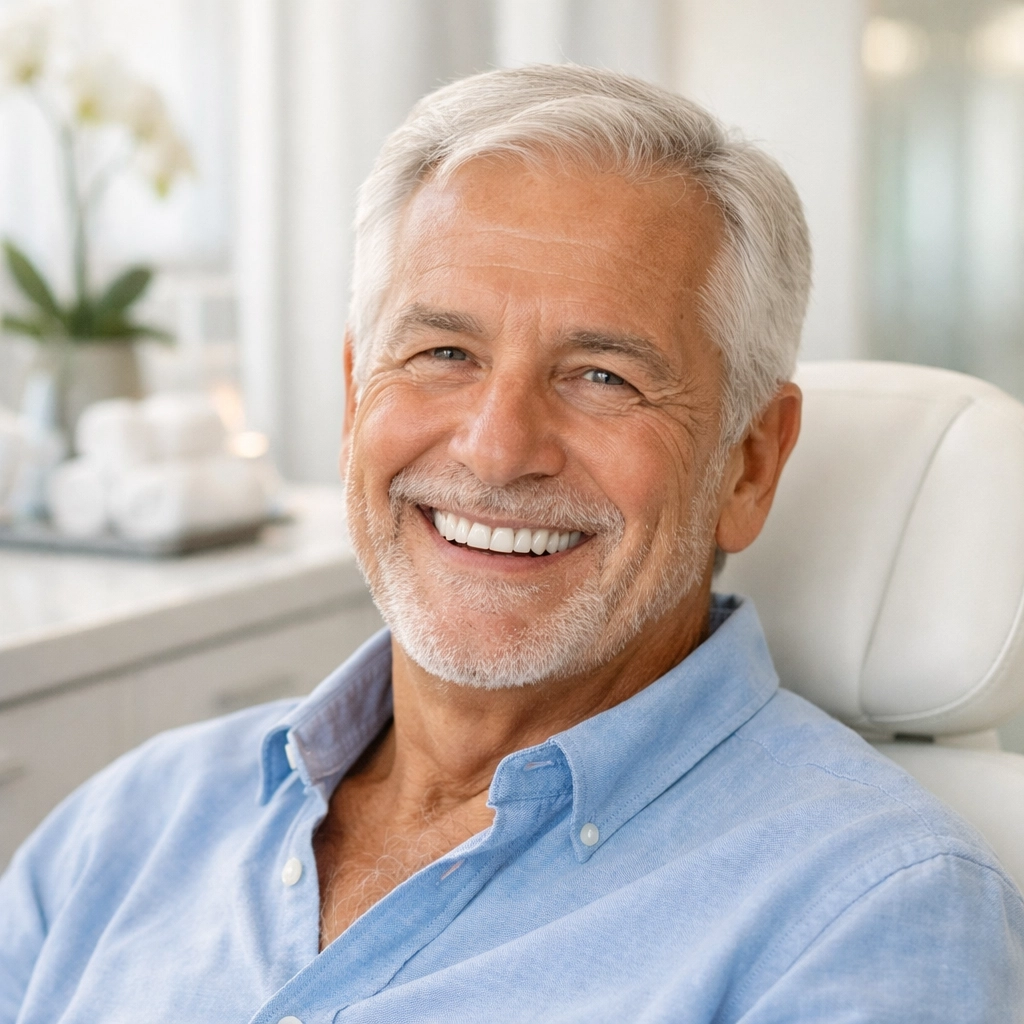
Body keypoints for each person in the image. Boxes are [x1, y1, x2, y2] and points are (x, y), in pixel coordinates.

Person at [2, 64, 1022, 1024]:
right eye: (443, 352)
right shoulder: (126, 826)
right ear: (358, 393)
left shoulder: (869, 915)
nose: (495, 452)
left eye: (602, 376)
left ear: (748, 464)